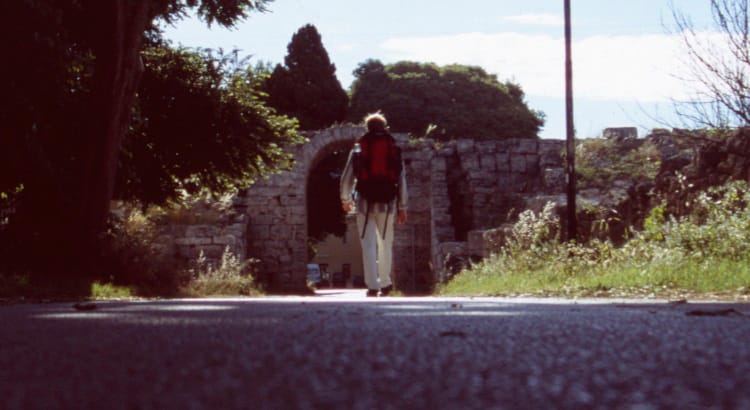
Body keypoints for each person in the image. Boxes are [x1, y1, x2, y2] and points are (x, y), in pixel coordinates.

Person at [340, 113, 408, 297]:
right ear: (384, 126)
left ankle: (372, 285)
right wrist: (403, 206)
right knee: (385, 243)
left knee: (368, 244)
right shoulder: (393, 146)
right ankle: (385, 283)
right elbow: (401, 179)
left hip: (364, 203)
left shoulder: (359, 147)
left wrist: (346, 200)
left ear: (367, 127)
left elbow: (347, 177)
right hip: (387, 204)